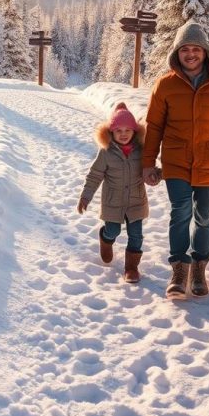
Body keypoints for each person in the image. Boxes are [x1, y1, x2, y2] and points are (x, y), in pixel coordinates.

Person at [142, 21, 209, 299]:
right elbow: (154, 126)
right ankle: (179, 267)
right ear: (177, 53)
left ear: (205, 52)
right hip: (176, 162)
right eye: (185, 49)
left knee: (204, 218)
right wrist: (148, 162)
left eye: (196, 49)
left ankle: (199, 265)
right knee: (180, 213)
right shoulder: (164, 85)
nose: (190, 54)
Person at [77, 102, 150, 284]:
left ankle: (131, 268)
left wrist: (156, 174)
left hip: (136, 202)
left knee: (136, 235)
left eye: (127, 130)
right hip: (113, 202)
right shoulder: (106, 153)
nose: (123, 134)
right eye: (118, 130)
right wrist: (86, 196)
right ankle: (105, 238)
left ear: (134, 131)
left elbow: (150, 169)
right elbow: (94, 176)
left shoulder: (142, 151)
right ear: (111, 132)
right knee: (113, 230)